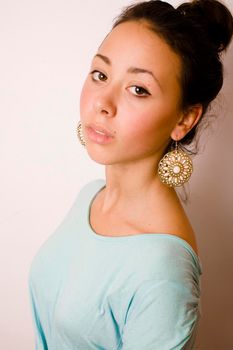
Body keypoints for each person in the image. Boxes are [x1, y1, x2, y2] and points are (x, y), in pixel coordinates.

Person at [29, 0, 233, 349]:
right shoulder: (91, 196)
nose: (103, 103)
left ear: (185, 119)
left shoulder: (163, 270)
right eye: (101, 74)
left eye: (138, 89)